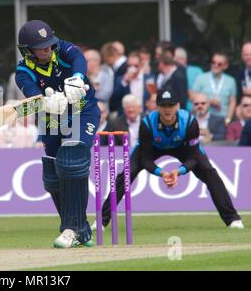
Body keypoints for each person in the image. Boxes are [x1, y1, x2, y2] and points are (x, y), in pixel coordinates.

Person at [94, 88, 244, 230]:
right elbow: (145, 159)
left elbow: (194, 156)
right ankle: (102, 220)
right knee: (126, 174)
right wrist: (162, 173)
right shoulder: (147, 123)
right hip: (153, 147)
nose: (167, 109)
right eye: (163, 105)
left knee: (209, 171)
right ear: (157, 107)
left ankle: (232, 219)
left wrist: (178, 171)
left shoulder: (190, 122)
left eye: (171, 105)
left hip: (183, 147)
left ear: (178, 106)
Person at [15, 20, 100, 248]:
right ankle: (81, 230)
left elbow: (79, 58)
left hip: (84, 111)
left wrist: (78, 78)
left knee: (73, 159)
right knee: (53, 175)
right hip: (51, 117)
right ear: (27, 51)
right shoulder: (23, 72)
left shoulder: (61, 48)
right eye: (41, 47)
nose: (47, 50)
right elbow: (33, 96)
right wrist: (47, 102)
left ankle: (69, 230)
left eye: (49, 45)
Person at [192, 52, 237, 125]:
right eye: (213, 62)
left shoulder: (231, 81)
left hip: (222, 119)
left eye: (219, 64)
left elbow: (232, 102)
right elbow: (193, 97)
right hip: (203, 119)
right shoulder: (200, 78)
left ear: (225, 66)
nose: (215, 65)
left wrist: (228, 119)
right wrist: (209, 101)